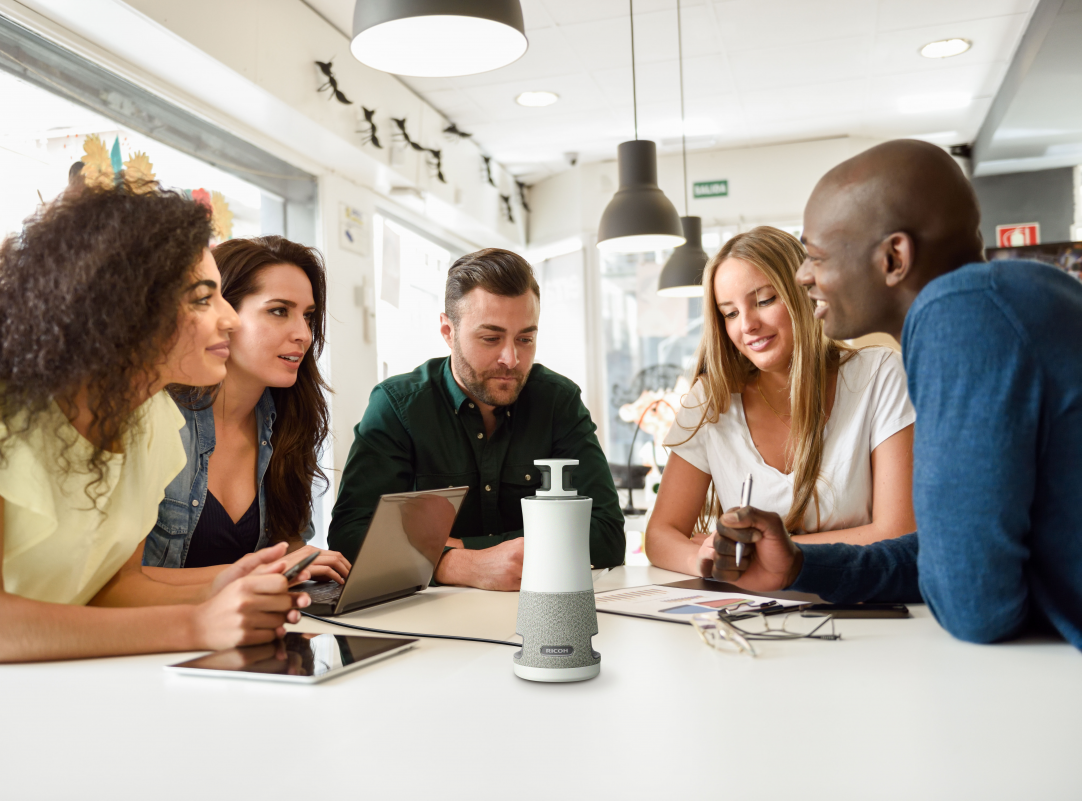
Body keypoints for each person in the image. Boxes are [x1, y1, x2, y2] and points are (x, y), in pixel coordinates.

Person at [0, 183, 314, 674]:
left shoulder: (153, 421)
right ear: (125, 308)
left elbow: (114, 588)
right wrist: (198, 624)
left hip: (25, 678)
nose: (230, 319)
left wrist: (221, 588)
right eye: (202, 299)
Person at [708, 139, 1082, 649]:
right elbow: (947, 552)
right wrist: (798, 564)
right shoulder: (1026, 289)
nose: (803, 276)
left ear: (893, 257)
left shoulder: (961, 315)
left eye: (816, 256)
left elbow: (974, 605)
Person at [328, 248, 624, 590]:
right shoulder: (398, 406)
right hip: (433, 618)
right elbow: (350, 536)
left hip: (539, 610)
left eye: (525, 339)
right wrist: (456, 564)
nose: (511, 358)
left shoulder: (558, 401)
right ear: (448, 331)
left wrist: (463, 547)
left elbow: (607, 534)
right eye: (491, 338)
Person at [645, 226, 916, 577]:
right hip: (751, 605)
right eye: (730, 313)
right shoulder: (710, 400)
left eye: (764, 300)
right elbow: (660, 535)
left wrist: (769, 550)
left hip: (859, 600)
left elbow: (899, 532)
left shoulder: (880, 374)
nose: (747, 325)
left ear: (803, 292)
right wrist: (699, 559)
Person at [138, 237, 350, 584]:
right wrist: (262, 573)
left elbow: (287, 549)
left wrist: (302, 564)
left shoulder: (288, 420)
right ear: (221, 314)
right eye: (279, 311)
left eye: (308, 316)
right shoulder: (156, 417)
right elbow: (116, 585)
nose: (304, 334)